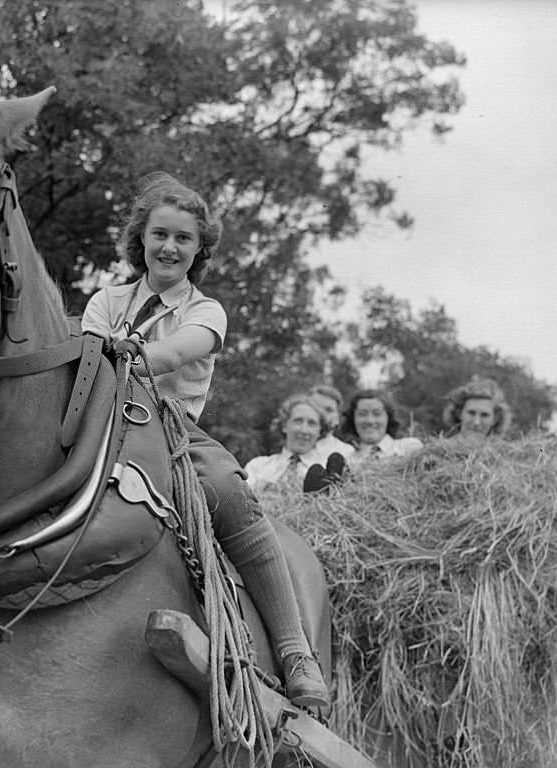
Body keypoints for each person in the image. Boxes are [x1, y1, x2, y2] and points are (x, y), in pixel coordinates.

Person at [80, 172, 328, 708]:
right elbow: (81, 361)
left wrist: (124, 351)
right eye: (160, 234)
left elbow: (174, 353)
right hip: (100, 425)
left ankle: (295, 651)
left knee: (230, 494)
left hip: (170, 428)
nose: (170, 247)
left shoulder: (204, 311)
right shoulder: (106, 301)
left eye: (184, 239)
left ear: (199, 248)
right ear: (140, 239)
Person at [244, 392, 352, 493]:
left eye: (312, 423)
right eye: (298, 421)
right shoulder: (258, 466)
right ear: (284, 426)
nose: (304, 430)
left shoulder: (326, 472)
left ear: (320, 432)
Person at [339, 388, 423, 464]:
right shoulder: (348, 462)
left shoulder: (409, 448)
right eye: (362, 414)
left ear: (388, 417)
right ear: (352, 419)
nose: (370, 421)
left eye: (377, 414)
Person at [442, 377, 512, 439]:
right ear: (459, 413)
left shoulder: (505, 452)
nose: (476, 422)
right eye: (471, 413)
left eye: (484, 415)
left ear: (495, 419)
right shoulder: (436, 451)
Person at [308, 383, 354, 457]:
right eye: (315, 407)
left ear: (337, 418)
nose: (321, 414)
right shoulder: (288, 446)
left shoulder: (346, 453)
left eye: (328, 410)